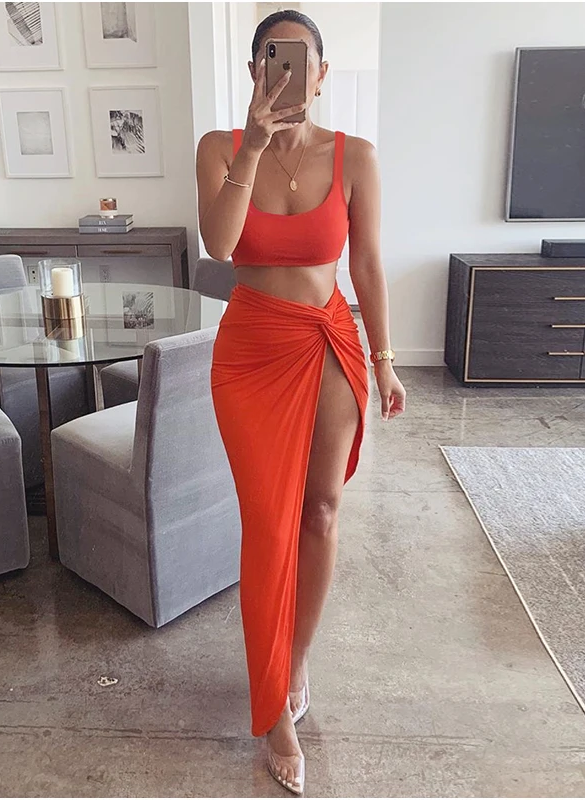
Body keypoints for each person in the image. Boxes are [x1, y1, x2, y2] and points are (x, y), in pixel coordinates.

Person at [196, 9, 406, 795]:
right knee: (267, 524)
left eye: (300, 60)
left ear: (320, 74)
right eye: (271, 59)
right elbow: (220, 244)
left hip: (327, 344)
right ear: (256, 70)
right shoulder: (220, 148)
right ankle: (272, 717)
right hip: (251, 352)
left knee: (320, 513)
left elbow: (370, 265)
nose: (286, 72)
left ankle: (295, 664)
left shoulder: (356, 157)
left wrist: (385, 361)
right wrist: (253, 146)